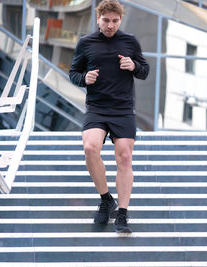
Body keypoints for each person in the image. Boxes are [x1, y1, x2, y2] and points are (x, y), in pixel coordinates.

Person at [69, 0, 149, 233]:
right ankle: (106, 199)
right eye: (106, 20)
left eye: (115, 21)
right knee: (90, 148)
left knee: (124, 157)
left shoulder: (130, 41)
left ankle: (122, 213)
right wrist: (85, 79)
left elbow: (144, 71)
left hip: (123, 109)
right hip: (97, 108)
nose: (111, 25)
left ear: (120, 20)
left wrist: (133, 65)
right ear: (98, 19)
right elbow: (74, 72)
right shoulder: (86, 43)